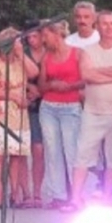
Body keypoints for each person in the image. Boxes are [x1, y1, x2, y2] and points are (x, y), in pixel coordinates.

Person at [69, 10, 112, 208]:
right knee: (83, 153)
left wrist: (100, 72)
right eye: (104, 23)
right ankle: (76, 198)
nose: (109, 27)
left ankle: (107, 197)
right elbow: (87, 75)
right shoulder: (88, 51)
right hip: (93, 111)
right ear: (97, 26)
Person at [0, 27, 39, 207]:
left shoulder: (20, 62)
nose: (19, 44)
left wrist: (21, 54)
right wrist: (14, 96)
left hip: (18, 113)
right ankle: (0, 194)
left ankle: (15, 192)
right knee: (0, 155)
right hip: (0, 112)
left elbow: (34, 73)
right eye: (16, 42)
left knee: (16, 154)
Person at [38, 20, 84, 210]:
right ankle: (58, 194)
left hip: (70, 105)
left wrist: (69, 86)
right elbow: (41, 86)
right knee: (52, 150)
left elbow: (85, 79)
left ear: (57, 34)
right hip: (49, 106)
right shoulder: (46, 57)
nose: (43, 39)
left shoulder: (77, 53)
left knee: (72, 150)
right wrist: (51, 85)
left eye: (46, 35)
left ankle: (77, 194)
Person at [22, 26, 46, 208]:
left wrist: (40, 91)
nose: (31, 40)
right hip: (24, 103)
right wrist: (28, 87)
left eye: (35, 36)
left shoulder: (49, 53)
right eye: (28, 37)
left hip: (45, 103)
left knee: (39, 149)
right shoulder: (22, 53)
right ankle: (25, 193)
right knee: (22, 149)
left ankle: (37, 191)